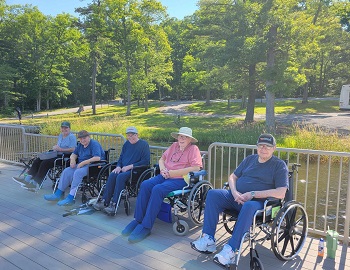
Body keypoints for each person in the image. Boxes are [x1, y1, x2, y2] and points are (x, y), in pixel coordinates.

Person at [190, 134, 289, 267]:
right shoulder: (250, 159)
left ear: (274, 148)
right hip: (236, 198)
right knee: (213, 194)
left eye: (268, 146)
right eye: (261, 145)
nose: (264, 148)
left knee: (248, 206)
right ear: (257, 147)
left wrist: (253, 194)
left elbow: (281, 192)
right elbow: (233, 177)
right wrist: (235, 192)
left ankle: (231, 250)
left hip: (259, 203)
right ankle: (208, 239)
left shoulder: (279, 165)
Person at [122, 127, 202, 243]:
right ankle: (138, 219)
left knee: (158, 189)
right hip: (165, 175)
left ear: (190, 139)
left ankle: (146, 226)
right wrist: (163, 169)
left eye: (185, 137)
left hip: (179, 179)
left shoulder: (193, 149)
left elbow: (196, 167)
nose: (182, 138)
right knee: (145, 184)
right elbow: (161, 159)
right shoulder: (174, 146)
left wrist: (172, 173)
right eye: (180, 136)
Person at [93, 126, 150, 214]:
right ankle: (105, 201)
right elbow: (121, 157)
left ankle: (114, 204)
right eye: (128, 135)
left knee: (120, 177)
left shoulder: (144, 144)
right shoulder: (126, 144)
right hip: (123, 168)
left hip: (136, 171)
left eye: (132, 135)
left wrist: (130, 166)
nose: (130, 137)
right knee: (113, 174)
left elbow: (146, 161)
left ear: (137, 135)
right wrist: (118, 166)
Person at [44, 130, 105, 206]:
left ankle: (71, 197)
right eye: (81, 139)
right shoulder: (80, 145)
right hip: (81, 165)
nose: (82, 140)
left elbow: (97, 158)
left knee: (78, 173)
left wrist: (83, 163)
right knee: (67, 171)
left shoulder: (94, 144)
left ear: (89, 137)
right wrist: (72, 160)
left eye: (84, 138)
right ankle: (58, 194)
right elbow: (74, 154)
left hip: (93, 166)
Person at [12, 121, 76, 189]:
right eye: (63, 127)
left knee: (45, 163)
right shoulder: (60, 135)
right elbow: (59, 146)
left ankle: (35, 183)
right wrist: (55, 147)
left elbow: (73, 149)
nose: (64, 129)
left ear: (69, 129)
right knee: (38, 159)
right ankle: (27, 178)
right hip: (56, 154)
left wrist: (60, 149)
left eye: (66, 128)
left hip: (64, 157)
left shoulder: (72, 137)